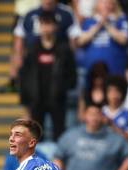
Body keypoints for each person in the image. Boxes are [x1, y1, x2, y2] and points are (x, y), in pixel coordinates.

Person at [19, 10, 76, 140]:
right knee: (37, 136)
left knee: (59, 134)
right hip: (37, 99)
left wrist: (63, 88)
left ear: (55, 26)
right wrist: (25, 102)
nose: (46, 28)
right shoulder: (32, 49)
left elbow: (72, 74)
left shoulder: (63, 49)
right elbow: (24, 76)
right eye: (43, 24)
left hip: (57, 100)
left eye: (49, 24)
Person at [75, 0, 128, 75]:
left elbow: (124, 40)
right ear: (97, 4)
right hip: (91, 68)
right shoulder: (89, 21)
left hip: (114, 67)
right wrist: (98, 25)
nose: (106, 5)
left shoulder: (120, 19)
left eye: (109, 3)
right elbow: (80, 41)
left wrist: (107, 24)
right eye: (103, 2)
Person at [102, 75, 128, 142]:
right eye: (110, 91)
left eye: (117, 91)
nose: (114, 94)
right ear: (106, 93)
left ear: (123, 93)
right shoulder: (99, 112)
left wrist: (112, 125)